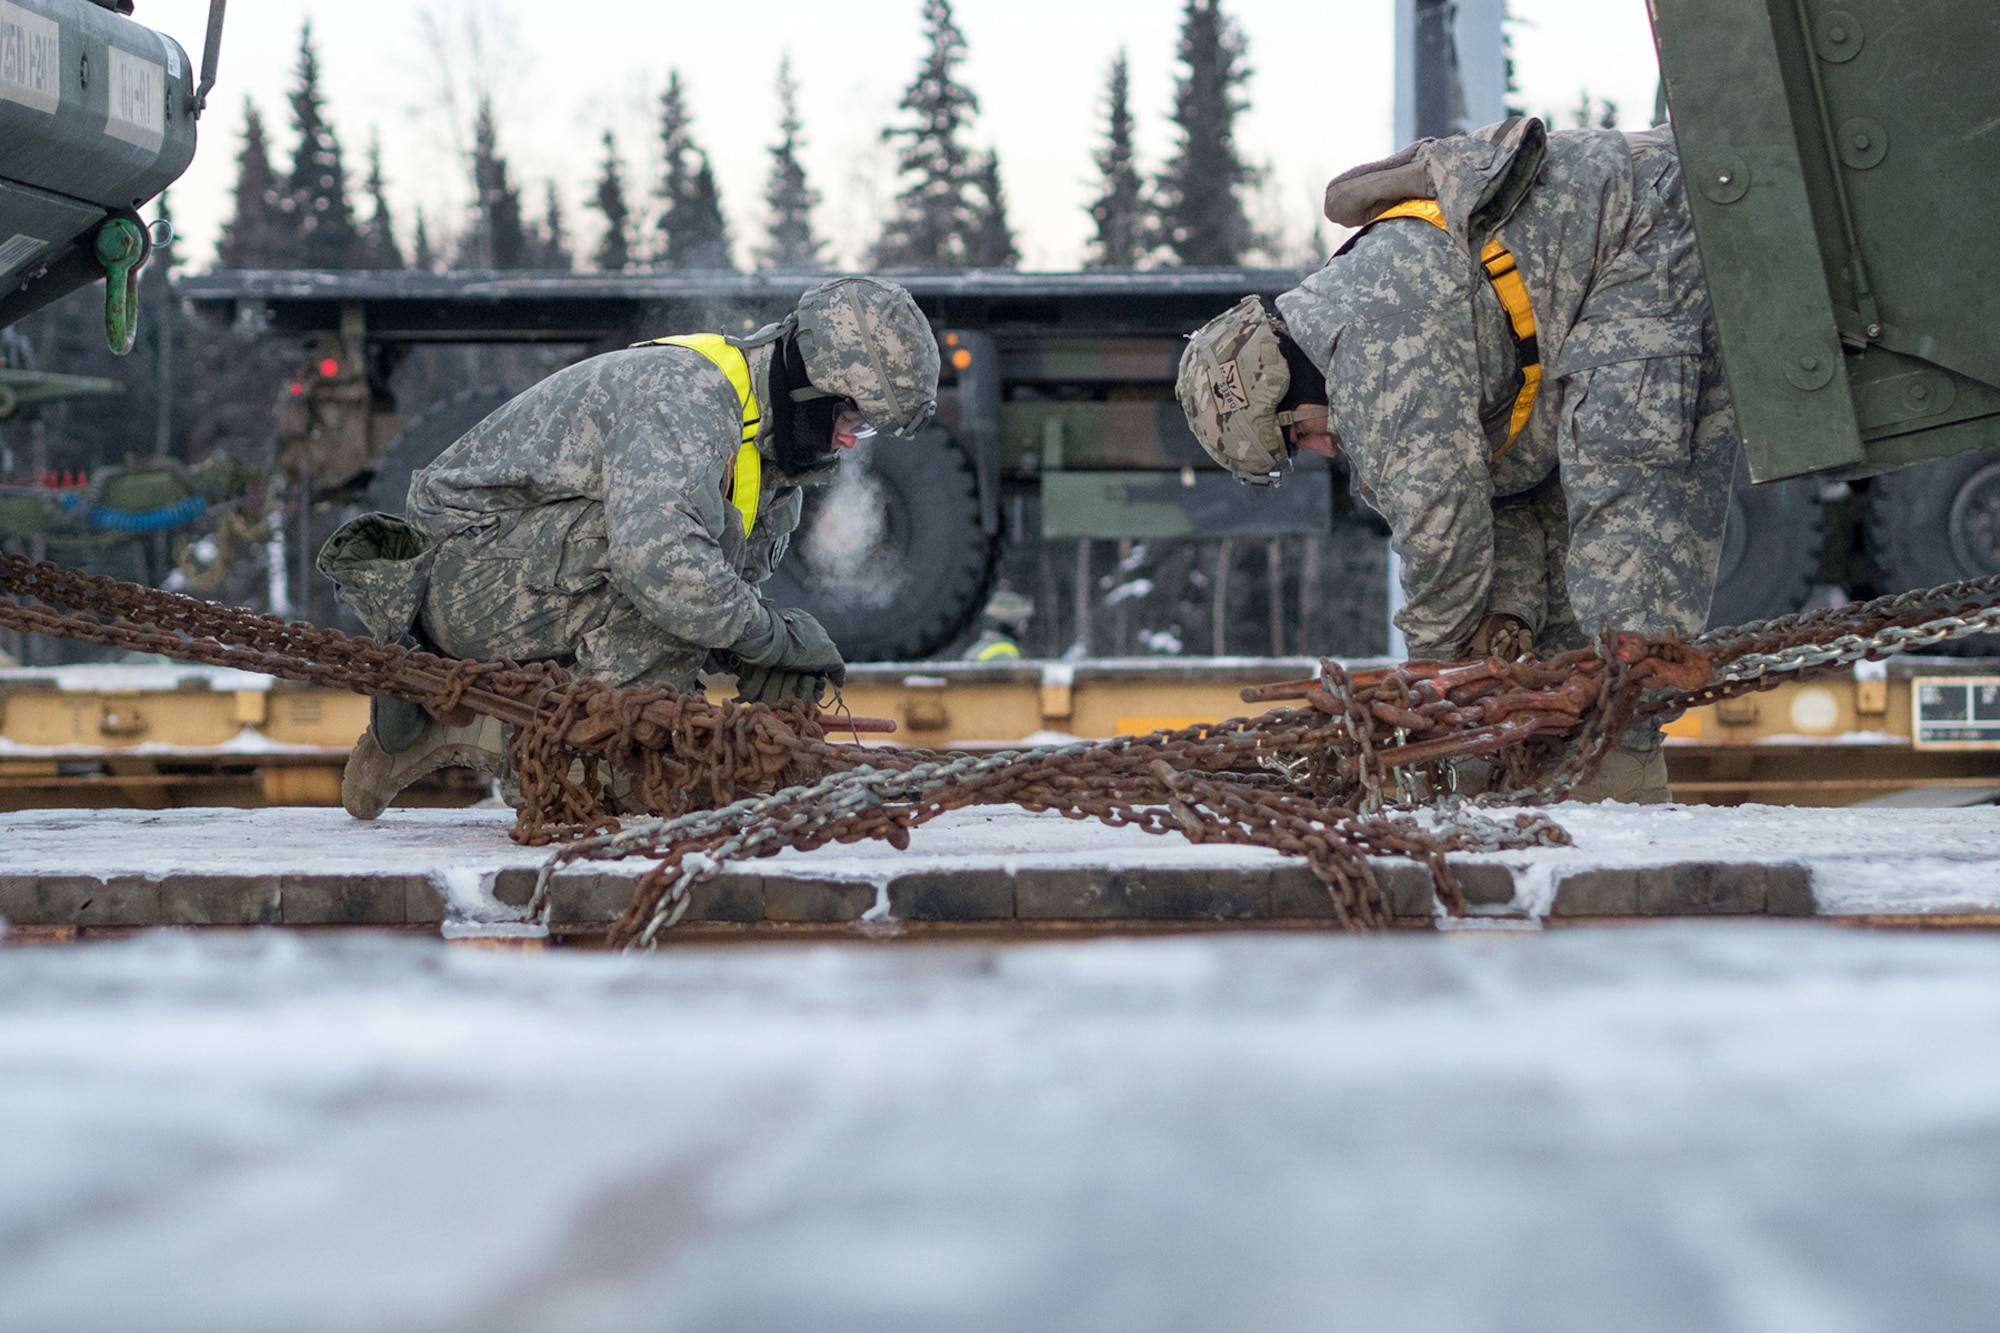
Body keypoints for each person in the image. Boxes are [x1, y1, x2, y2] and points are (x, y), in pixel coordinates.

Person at [1176, 116, 1739, 803]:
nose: (1322, 448)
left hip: (1653, 223)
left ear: (1286, 390)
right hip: (1612, 272)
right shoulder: (1361, 342)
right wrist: (1503, 633)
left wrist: (1426, 697)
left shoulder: (1373, 345)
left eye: (1299, 437)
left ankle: (1622, 818)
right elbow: (1506, 505)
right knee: (1554, 638)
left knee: (1626, 559)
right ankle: (1570, 799)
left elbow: (1444, 539)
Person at [320, 275, 941, 819]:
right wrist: (767, 637)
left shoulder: (770, 463)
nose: (852, 441)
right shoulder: (688, 398)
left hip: (523, 575)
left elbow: (707, 598)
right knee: (674, 564)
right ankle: (556, 757)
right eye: (854, 418)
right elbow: (659, 563)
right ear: (815, 382)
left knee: (697, 582)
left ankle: (479, 726)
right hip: (462, 578)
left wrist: (750, 657)